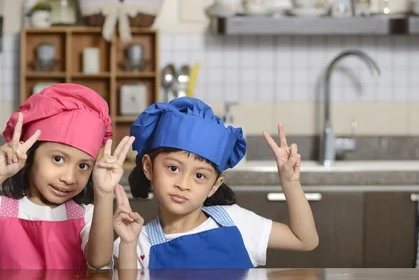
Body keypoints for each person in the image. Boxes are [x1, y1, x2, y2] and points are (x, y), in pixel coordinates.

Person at [112, 97, 318, 269]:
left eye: (199, 176)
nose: (183, 184)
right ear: (148, 167)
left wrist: (290, 182)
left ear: (214, 185)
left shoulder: (237, 222)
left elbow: (305, 240)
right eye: (173, 168)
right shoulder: (135, 241)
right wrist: (128, 245)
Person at [0, 83, 134, 269]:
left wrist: (104, 193)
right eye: (58, 159)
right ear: (30, 156)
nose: (69, 177)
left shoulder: (86, 216)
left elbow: (99, 260)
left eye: (83, 165)